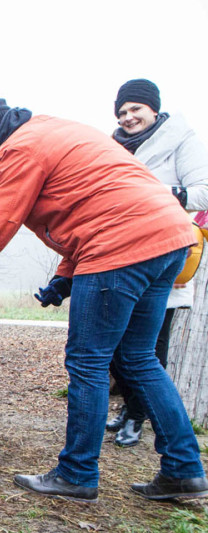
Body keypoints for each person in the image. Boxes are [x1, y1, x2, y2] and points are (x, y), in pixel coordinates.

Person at [0, 94, 207, 502]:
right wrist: (64, 275)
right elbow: (92, 205)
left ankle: (77, 473)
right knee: (138, 358)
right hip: (169, 238)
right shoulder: (53, 131)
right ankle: (184, 470)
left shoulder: (19, 147)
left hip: (119, 246)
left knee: (88, 360)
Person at [103, 79, 208, 447]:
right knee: (116, 348)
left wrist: (159, 195)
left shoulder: (181, 140)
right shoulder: (113, 147)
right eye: (122, 112)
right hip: (121, 257)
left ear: (153, 108)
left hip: (165, 260)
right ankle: (130, 407)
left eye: (135, 109)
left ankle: (137, 415)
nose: (128, 117)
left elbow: (204, 191)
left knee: (146, 350)